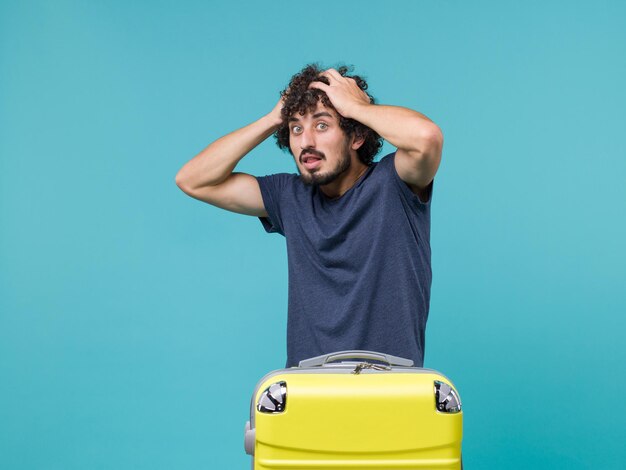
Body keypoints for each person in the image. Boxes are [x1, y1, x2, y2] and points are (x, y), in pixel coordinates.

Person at [175, 64, 443, 368]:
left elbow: (427, 137)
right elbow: (193, 179)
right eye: (296, 128)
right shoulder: (288, 196)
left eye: (322, 125)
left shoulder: (394, 182)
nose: (306, 142)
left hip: (392, 388)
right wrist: (272, 118)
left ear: (356, 136)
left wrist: (354, 107)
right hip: (309, 393)